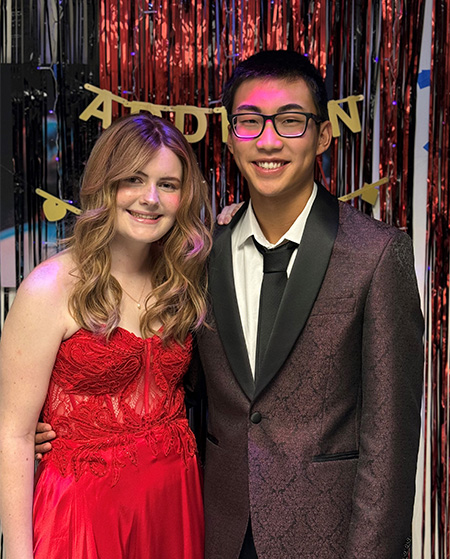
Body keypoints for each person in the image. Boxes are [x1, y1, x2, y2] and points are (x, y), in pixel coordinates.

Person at [36, 50, 424, 559]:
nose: (268, 141)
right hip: (212, 531)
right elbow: (177, 378)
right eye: (249, 122)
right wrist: (69, 423)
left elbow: (390, 441)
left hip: (327, 540)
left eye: (290, 121)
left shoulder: (376, 254)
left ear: (323, 135)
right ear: (230, 135)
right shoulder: (199, 254)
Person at [0, 112, 212, 559]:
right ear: (105, 184)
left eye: (168, 185)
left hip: (172, 505)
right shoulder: (48, 288)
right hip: (83, 517)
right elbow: (14, 436)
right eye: (134, 179)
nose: (150, 199)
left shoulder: (182, 282)